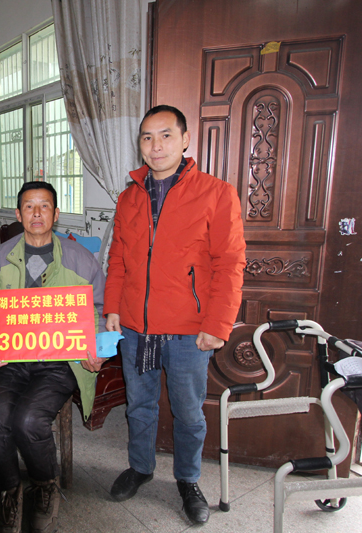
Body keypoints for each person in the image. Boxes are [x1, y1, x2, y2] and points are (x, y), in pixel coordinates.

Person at [104, 105, 245, 524]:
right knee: (138, 406)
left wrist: (217, 325)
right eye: (147, 137)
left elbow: (230, 264)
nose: (156, 145)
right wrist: (112, 307)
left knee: (188, 413)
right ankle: (140, 467)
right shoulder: (129, 197)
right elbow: (118, 259)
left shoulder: (217, 193)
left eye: (166, 135)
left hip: (189, 331)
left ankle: (188, 479)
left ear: (185, 140)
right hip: (136, 327)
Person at [0, 182, 107, 533]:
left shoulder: (80, 259)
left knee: (28, 420)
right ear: (19, 214)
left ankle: (46, 485)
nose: (37, 213)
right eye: (29, 206)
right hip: (10, 359)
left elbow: (99, 311)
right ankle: (8, 489)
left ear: (56, 214)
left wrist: (95, 349)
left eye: (44, 206)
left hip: (60, 362)